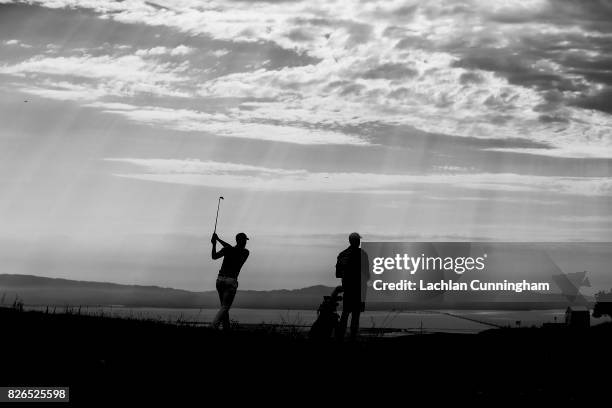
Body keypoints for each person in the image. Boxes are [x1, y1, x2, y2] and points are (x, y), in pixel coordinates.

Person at [211, 232, 250, 330]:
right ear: (241, 241)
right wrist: (218, 240)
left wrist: (215, 243)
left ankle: (226, 328)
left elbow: (214, 256)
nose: (246, 242)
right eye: (245, 240)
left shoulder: (228, 250)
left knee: (224, 308)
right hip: (231, 282)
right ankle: (213, 326)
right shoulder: (245, 252)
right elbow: (230, 248)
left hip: (220, 281)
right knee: (225, 308)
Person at [335, 232, 370, 340]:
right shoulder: (362, 254)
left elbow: (338, 274)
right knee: (355, 314)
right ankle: (352, 337)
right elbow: (367, 274)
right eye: (358, 240)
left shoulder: (342, 254)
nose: (359, 242)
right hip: (359, 288)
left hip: (348, 288)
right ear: (355, 241)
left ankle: (340, 337)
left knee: (346, 313)